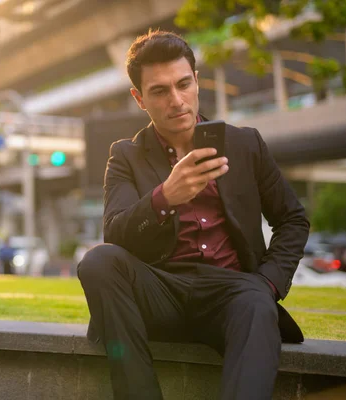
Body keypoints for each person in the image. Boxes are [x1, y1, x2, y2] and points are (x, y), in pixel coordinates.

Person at [77, 30, 310, 400]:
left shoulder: (246, 144)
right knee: (99, 262)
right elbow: (116, 234)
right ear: (139, 98)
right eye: (159, 91)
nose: (177, 100)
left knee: (254, 304)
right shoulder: (125, 156)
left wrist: (266, 284)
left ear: (197, 81)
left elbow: (292, 220)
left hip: (233, 293)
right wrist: (164, 197)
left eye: (184, 84)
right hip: (161, 290)